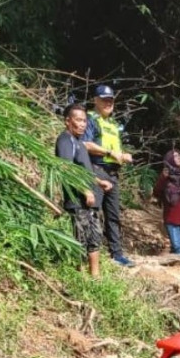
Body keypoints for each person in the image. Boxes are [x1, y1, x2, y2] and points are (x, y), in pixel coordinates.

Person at [55, 103, 113, 277]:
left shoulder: (79, 142)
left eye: (84, 120)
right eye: (78, 120)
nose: (82, 124)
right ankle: (80, 278)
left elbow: (82, 170)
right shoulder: (65, 140)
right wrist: (85, 190)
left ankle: (95, 277)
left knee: (94, 238)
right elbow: (66, 169)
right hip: (78, 201)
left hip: (89, 201)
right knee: (80, 240)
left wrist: (98, 182)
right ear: (67, 121)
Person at [83, 83, 135, 268]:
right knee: (93, 212)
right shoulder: (90, 119)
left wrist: (123, 155)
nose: (108, 103)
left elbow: (115, 150)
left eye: (111, 100)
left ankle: (117, 254)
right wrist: (108, 153)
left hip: (113, 173)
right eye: (104, 100)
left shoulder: (112, 124)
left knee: (113, 215)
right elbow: (86, 144)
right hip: (97, 170)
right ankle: (90, 252)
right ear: (95, 100)